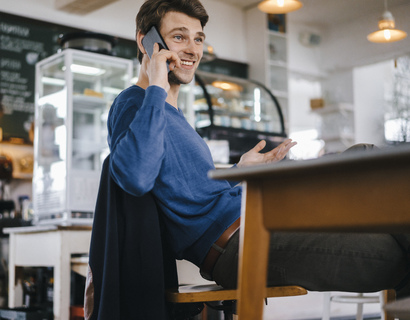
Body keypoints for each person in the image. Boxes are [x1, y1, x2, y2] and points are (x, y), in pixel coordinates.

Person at [107, 0, 410, 296]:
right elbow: (136, 176)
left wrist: (240, 171)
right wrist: (156, 85)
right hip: (237, 245)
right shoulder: (135, 103)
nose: (192, 49)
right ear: (146, 41)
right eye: (178, 37)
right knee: (395, 254)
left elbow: (191, 191)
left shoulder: (171, 113)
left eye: (198, 39)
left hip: (258, 219)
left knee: (365, 156)